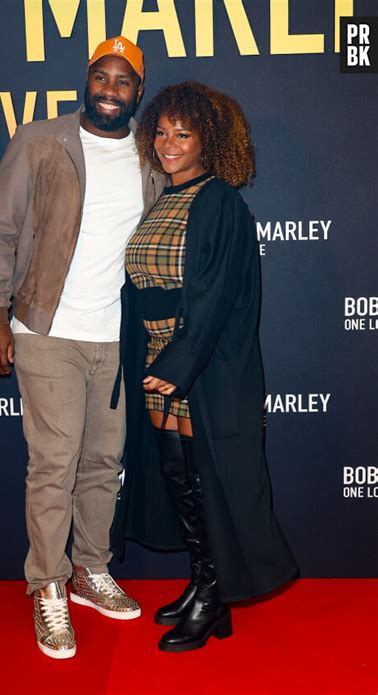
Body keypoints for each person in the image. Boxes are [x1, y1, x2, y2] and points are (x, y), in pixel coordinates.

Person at [0, 36, 165, 660]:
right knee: (53, 465)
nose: (110, 90)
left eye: (124, 81)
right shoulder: (41, 141)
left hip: (114, 340)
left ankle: (89, 569)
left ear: (138, 92)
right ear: (86, 81)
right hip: (44, 330)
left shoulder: (148, 158)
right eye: (101, 77)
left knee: (104, 465)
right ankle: (48, 585)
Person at [119, 82, 298, 652]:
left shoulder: (218, 200)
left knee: (206, 478)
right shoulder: (163, 199)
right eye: (163, 132)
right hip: (157, 358)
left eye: (184, 133)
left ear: (208, 140)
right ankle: (203, 584)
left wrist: (182, 361)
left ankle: (214, 593)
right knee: (179, 477)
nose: (170, 144)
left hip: (199, 364)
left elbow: (217, 295)